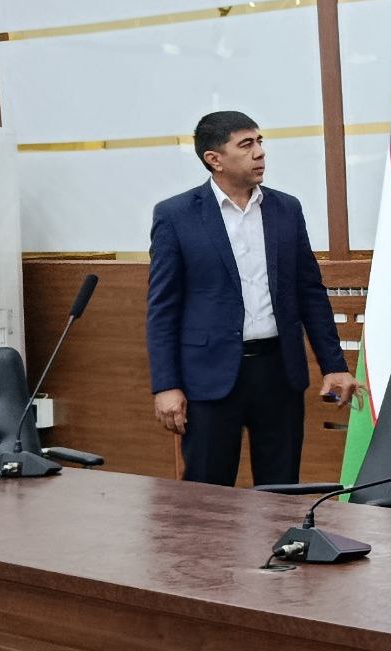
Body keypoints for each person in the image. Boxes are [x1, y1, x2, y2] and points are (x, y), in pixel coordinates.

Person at [145, 111, 355, 487]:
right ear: (215, 159)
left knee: (281, 489)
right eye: (246, 145)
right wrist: (166, 385)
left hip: (278, 371)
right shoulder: (176, 216)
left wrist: (334, 365)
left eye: (259, 142)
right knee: (207, 493)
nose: (259, 152)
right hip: (209, 376)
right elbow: (163, 309)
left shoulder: (286, 209)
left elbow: (310, 291)